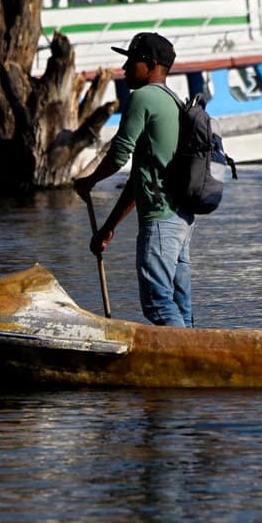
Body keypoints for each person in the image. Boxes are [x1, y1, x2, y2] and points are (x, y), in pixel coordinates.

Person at [74, 32, 194, 327]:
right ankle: (194, 357)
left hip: (160, 219)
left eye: (131, 61)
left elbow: (118, 155)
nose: (124, 68)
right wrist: (108, 228)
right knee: (179, 303)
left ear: (151, 65)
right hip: (181, 218)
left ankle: (180, 361)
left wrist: (89, 180)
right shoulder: (174, 100)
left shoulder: (142, 97)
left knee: (158, 303)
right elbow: (138, 182)